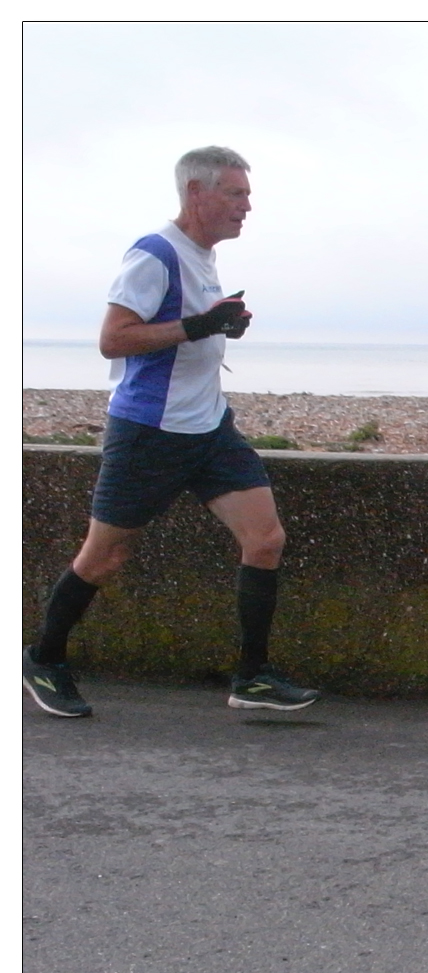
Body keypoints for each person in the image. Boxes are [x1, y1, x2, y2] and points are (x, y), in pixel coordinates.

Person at [23, 146, 319, 718]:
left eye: (247, 194)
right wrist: (200, 325)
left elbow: (183, 330)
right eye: (235, 194)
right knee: (105, 557)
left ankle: (252, 676)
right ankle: (45, 657)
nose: (247, 207)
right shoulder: (154, 254)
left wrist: (221, 325)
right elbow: (114, 339)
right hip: (150, 431)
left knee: (265, 539)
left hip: (209, 426)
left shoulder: (203, 255)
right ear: (196, 194)